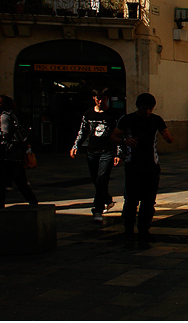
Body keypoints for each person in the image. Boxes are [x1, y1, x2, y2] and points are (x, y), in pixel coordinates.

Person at [111, 93, 173, 241]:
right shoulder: (127, 119)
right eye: (145, 109)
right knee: (131, 200)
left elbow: (168, 135)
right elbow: (114, 136)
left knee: (149, 201)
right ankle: (128, 228)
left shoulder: (156, 120)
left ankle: (144, 229)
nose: (148, 112)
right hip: (133, 164)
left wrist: (168, 137)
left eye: (150, 109)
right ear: (138, 106)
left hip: (152, 164)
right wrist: (125, 141)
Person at [70, 89, 122, 222]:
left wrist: (118, 153)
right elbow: (82, 131)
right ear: (94, 98)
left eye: (103, 98)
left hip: (107, 151)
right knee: (96, 180)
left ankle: (97, 209)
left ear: (107, 98)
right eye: (98, 98)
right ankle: (107, 199)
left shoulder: (113, 114)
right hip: (92, 151)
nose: (101, 101)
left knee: (102, 179)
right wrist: (76, 145)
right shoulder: (88, 113)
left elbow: (119, 134)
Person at [0, 95, 38, 210]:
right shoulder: (10, 115)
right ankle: (32, 201)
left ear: (4, 105)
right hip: (12, 154)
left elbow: (5, 135)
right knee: (18, 180)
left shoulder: (4, 117)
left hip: (6, 154)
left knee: (2, 181)